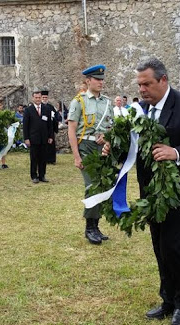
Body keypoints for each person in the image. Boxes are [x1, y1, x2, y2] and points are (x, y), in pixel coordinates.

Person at [111, 58, 180, 325]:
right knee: (160, 246)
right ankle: (168, 299)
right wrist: (114, 149)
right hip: (153, 194)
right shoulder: (141, 110)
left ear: (163, 80)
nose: (142, 89)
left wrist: (176, 153)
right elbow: (137, 148)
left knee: (172, 245)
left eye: (147, 83)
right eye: (139, 84)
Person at [67, 65, 113, 245]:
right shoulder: (78, 101)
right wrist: (76, 156)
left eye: (102, 79)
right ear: (88, 81)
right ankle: (89, 228)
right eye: (97, 79)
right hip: (85, 146)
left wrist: (107, 138)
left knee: (102, 185)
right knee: (92, 186)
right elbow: (71, 130)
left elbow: (111, 127)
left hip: (102, 148)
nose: (101, 82)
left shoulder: (107, 102)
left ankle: (95, 224)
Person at [23, 90, 54, 183]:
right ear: (33, 98)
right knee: (34, 158)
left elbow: (50, 125)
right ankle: (34, 176)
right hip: (33, 138)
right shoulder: (28, 110)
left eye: (39, 97)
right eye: (36, 98)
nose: (38, 99)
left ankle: (42, 175)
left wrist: (50, 136)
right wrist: (26, 138)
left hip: (44, 138)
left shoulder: (46, 109)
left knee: (43, 158)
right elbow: (25, 125)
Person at [41, 90, 60, 164]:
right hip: (42, 128)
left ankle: (51, 159)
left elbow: (56, 116)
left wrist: (54, 119)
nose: (44, 99)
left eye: (46, 97)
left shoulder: (51, 107)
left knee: (51, 144)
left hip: (50, 128)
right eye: (43, 97)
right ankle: (44, 159)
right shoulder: (39, 107)